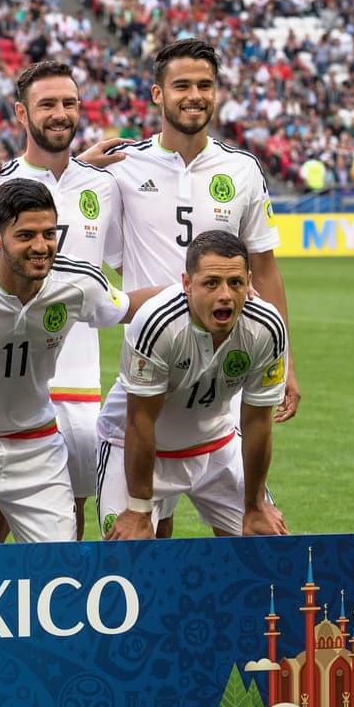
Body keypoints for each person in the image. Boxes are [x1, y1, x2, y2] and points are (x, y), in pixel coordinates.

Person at [99, 38, 300, 537]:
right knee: (147, 556)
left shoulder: (243, 168)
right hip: (152, 368)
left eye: (204, 85)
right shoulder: (123, 168)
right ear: (156, 94)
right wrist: (82, 161)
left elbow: (265, 267)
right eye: (181, 85)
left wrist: (287, 358)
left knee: (265, 550)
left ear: (217, 93)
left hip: (218, 387)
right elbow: (60, 199)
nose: (194, 95)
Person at [0, 179, 157, 544]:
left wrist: (194, 289)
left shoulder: (79, 283)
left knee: (59, 567)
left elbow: (127, 307)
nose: (40, 247)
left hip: (35, 446)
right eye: (25, 236)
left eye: (48, 234)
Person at [0, 59, 122, 541]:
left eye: (68, 103)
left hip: (81, 382)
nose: (59, 113)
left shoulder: (103, 187)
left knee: (69, 516)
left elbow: (121, 271)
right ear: (21, 114)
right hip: (0, 387)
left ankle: (57, 606)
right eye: (47, 104)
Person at [96, 230, 289, 540]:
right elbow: (140, 420)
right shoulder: (157, 322)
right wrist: (139, 508)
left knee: (268, 545)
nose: (225, 294)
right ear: (187, 284)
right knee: (129, 557)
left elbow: (256, 422)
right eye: (211, 283)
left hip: (214, 445)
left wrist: (254, 506)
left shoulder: (266, 325)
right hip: (132, 446)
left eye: (236, 283)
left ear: (249, 281)